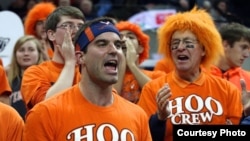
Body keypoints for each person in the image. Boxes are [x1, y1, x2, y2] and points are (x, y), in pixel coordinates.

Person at [23, 16, 152, 141]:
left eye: (118, 45)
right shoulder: (45, 114)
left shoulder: (138, 115)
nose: (114, 50)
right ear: (80, 57)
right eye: (102, 44)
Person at [137, 7, 243, 141]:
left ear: (204, 50)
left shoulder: (228, 91)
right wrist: (159, 118)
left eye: (188, 43)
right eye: (175, 43)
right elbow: (143, 135)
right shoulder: (153, 89)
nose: (180, 47)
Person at [21, 6, 85, 111]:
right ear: (51, 35)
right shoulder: (34, 73)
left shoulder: (89, 70)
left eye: (80, 26)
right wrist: (70, 63)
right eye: (68, 25)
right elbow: (48, 106)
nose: (76, 31)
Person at [114, 21, 165, 103]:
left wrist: (132, 65)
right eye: (119, 38)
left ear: (141, 48)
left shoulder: (157, 75)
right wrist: (122, 63)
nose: (123, 40)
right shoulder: (108, 76)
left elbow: (159, 96)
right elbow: (111, 100)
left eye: (130, 37)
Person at [209, 23, 250, 125]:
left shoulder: (248, 79)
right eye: (243, 47)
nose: (247, 55)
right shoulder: (196, 76)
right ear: (225, 45)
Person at [7, 35, 45, 120]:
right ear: (15, 54)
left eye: (31, 50)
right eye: (21, 50)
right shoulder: (7, 80)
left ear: (39, 53)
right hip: (15, 129)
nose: (26, 53)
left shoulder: (47, 78)